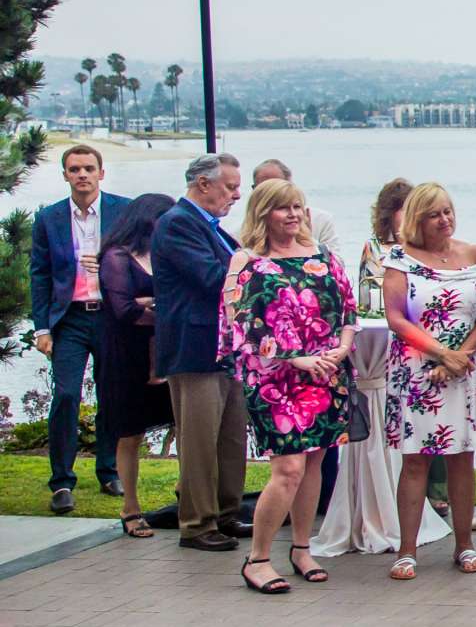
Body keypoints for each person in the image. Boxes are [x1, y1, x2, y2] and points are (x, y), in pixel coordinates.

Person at [220, 179, 357, 594]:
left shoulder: (324, 255)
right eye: (284, 208)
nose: (294, 215)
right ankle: (257, 558)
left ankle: (301, 547)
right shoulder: (247, 261)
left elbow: (348, 309)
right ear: (264, 213)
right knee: (288, 467)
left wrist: (341, 349)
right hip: (276, 378)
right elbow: (239, 322)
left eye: (298, 206)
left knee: (314, 462)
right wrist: (293, 357)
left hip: (326, 374)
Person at [382, 183, 476, 578]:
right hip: (418, 373)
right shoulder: (400, 260)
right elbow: (396, 317)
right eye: (435, 214)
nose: (445, 220)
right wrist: (439, 353)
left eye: (448, 211)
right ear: (418, 219)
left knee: (462, 458)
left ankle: (464, 545)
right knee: (416, 461)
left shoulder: (475, 256)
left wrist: (460, 356)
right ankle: (407, 549)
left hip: (464, 370)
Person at [154, 152, 245, 552]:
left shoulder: (216, 229)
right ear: (203, 184)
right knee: (199, 439)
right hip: (195, 347)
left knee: (230, 437)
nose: (237, 195)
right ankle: (196, 522)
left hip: (225, 348)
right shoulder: (178, 224)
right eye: (230, 187)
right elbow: (213, 278)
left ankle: (225, 511)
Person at [29, 143, 127, 512]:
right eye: (75, 169)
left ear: (101, 173)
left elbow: (141, 258)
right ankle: (62, 482)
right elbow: (39, 274)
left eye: (88, 168)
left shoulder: (123, 210)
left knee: (112, 396)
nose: (82, 175)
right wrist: (41, 328)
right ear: (65, 175)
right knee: (67, 395)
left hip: (111, 316)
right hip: (68, 318)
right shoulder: (50, 218)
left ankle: (109, 470)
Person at [93, 193, 176, 538]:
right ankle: (131, 507)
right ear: (147, 219)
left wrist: (150, 304)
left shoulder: (163, 255)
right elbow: (124, 308)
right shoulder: (116, 256)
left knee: (181, 424)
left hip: (164, 354)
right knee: (130, 433)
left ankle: (189, 498)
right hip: (126, 356)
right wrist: (161, 309)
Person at [355, 178, 412, 319]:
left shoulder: (426, 244)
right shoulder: (374, 247)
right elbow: (367, 296)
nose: (411, 215)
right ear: (390, 214)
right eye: (404, 209)